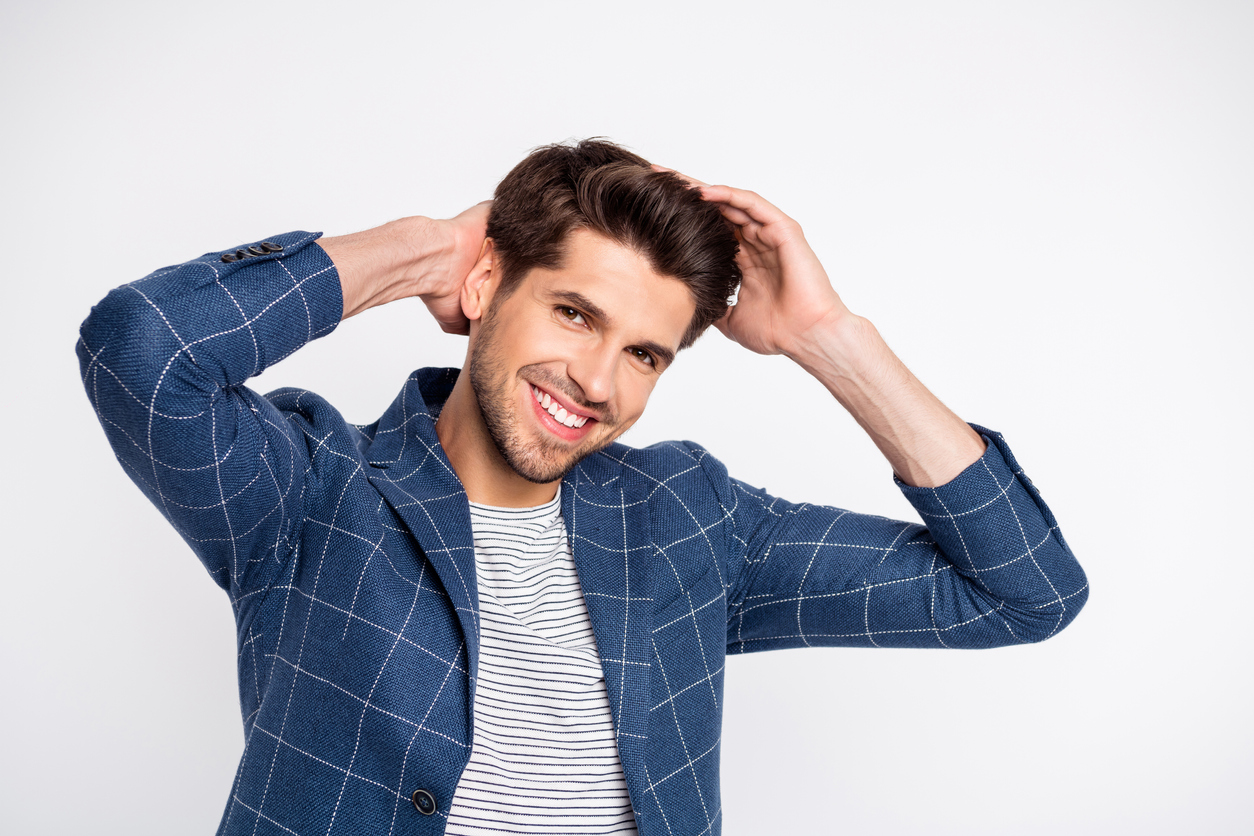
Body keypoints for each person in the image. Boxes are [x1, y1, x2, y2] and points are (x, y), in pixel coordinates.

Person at [77, 138, 1088, 836]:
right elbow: (140, 350)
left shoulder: (688, 519)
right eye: (572, 312)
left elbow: (1023, 588)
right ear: (487, 288)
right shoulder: (310, 490)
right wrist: (422, 249)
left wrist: (832, 344)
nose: (598, 382)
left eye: (644, 352)